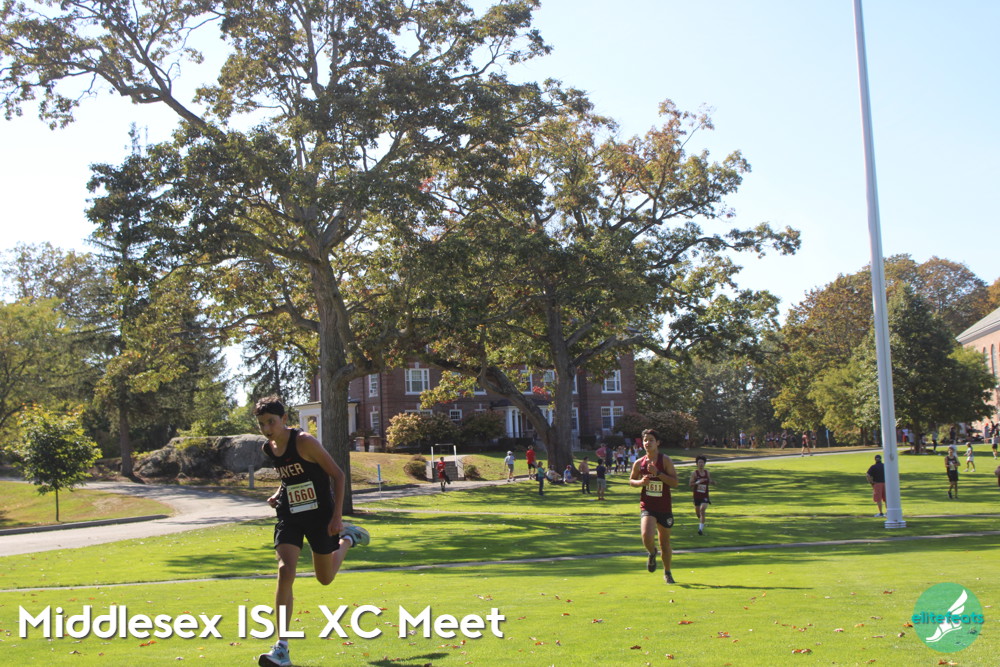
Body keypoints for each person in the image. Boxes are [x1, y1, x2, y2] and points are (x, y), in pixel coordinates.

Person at [254, 395, 369, 667]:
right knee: (285, 571)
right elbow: (289, 478)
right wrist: (278, 493)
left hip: (320, 516)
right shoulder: (269, 448)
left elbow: (338, 475)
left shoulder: (305, 442)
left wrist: (337, 517)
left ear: (284, 419)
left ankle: (348, 538)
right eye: (262, 424)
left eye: (271, 422)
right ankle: (281, 647)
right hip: (290, 515)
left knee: (325, 578)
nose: (267, 428)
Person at [630, 428, 679, 584]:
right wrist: (641, 482)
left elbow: (675, 483)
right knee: (646, 535)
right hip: (648, 506)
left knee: (665, 543)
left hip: (664, 507)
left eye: (651, 440)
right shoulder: (639, 463)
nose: (647, 443)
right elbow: (631, 481)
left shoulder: (665, 460)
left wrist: (658, 473)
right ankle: (652, 552)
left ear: (657, 443)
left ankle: (667, 572)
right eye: (645, 440)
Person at [689, 455, 715, 535]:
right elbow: (690, 484)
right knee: (698, 514)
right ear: (697, 464)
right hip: (697, 496)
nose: (701, 464)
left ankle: (700, 529)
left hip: (705, 496)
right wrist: (697, 482)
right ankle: (701, 522)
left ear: (704, 463)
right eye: (699, 462)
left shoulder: (707, 473)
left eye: (702, 462)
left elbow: (709, 481)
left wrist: (712, 482)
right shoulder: (694, 473)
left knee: (702, 510)